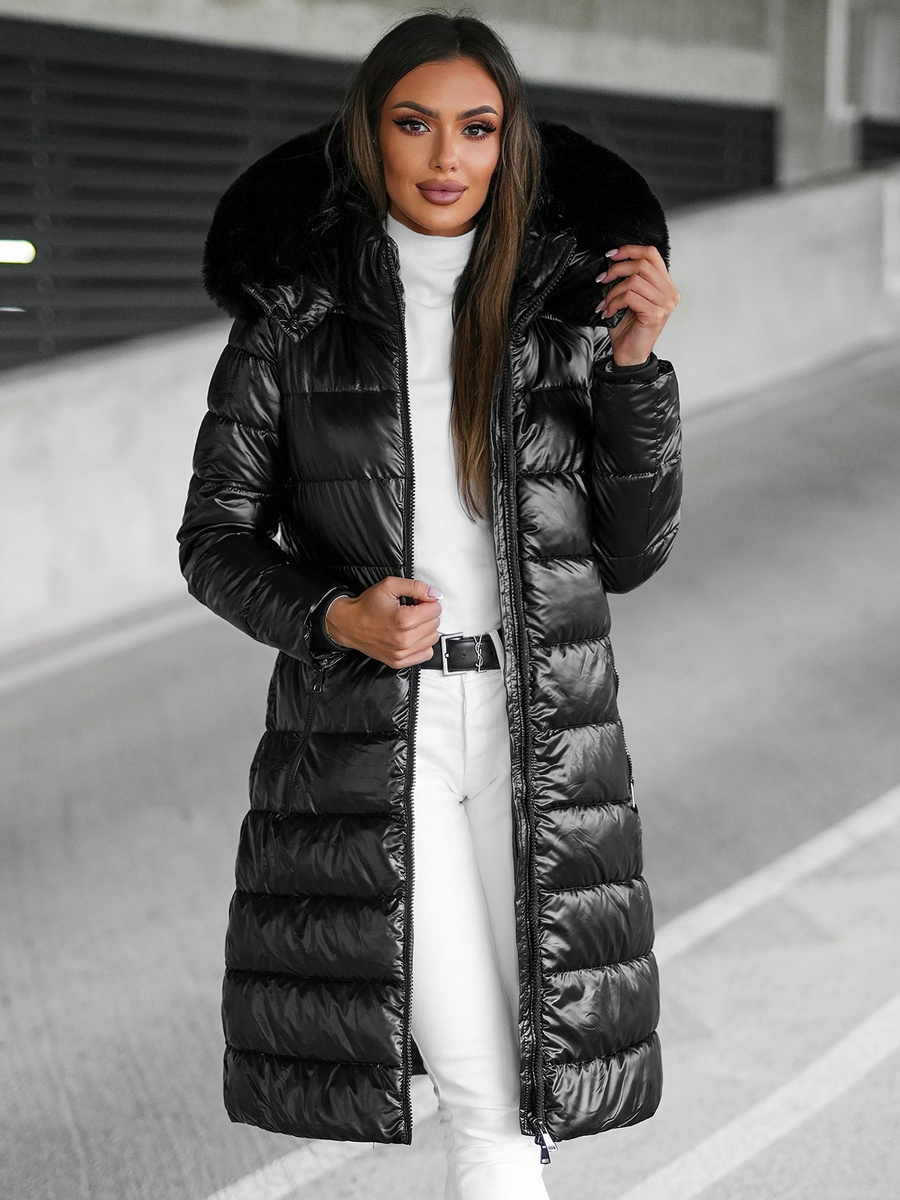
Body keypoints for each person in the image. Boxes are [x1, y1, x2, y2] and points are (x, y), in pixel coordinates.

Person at [177, 11, 682, 1200]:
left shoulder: (567, 317)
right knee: (489, 1098)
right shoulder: (293, 322)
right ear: (370, 136)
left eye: (477, 128)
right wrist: (334, 615)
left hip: (541, 732)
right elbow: (214, 542)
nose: (447, 156)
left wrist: (635, 368)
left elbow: (633, 550)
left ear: (511, 145)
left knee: (536, 1087)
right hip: (379, 737)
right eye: (415, 124)